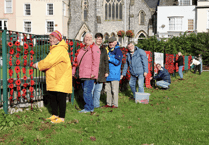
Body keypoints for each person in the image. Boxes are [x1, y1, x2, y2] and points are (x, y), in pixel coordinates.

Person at [32, 30, 72, 123]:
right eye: (50, 38)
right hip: (55, 77)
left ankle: (61, 118)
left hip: (61, 77)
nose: (51, 40)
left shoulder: (59, 49)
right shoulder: (55, 48)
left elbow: (48, 62)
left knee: (61, 97)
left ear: (58, 39)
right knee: (53, 96)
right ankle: (55, 115)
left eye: (54, 38)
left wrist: (37, 65)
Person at [72, 32, 101, 113]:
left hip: (89, 74)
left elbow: (96, 62)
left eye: (90, 37)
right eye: (86, 38)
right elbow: (76, 61)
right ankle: (89, 106)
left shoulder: (94, 48)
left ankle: (89, 108)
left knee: (87, 91)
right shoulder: (82, 49)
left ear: (92, 39)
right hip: (82, 74)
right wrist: (73, 72)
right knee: (85, 91)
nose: (88, 39)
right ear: (83, 39)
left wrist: (94, 73)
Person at [104, 36, 123, 108]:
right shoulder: (107, 50)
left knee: (114, 90)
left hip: (115, 74)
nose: (111, 44)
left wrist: (109, 59)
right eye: (109, 42)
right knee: (108, 90)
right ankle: (108, 103)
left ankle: (115, 104)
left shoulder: (118, 51)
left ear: (115, 42)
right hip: (108, 74)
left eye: (112, 42)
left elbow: (118, 62)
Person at [92, 33, 109, 108]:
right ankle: (90, 104)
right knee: (91, 89)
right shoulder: (91, 48)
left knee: (98, 90)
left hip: (101, 72)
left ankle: (96, 105)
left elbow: (106, 61)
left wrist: (106, 71)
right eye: (98, 39)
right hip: (92, 72)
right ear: (95, 39)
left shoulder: (104, 50)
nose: (99, 40)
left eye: (100, 39)